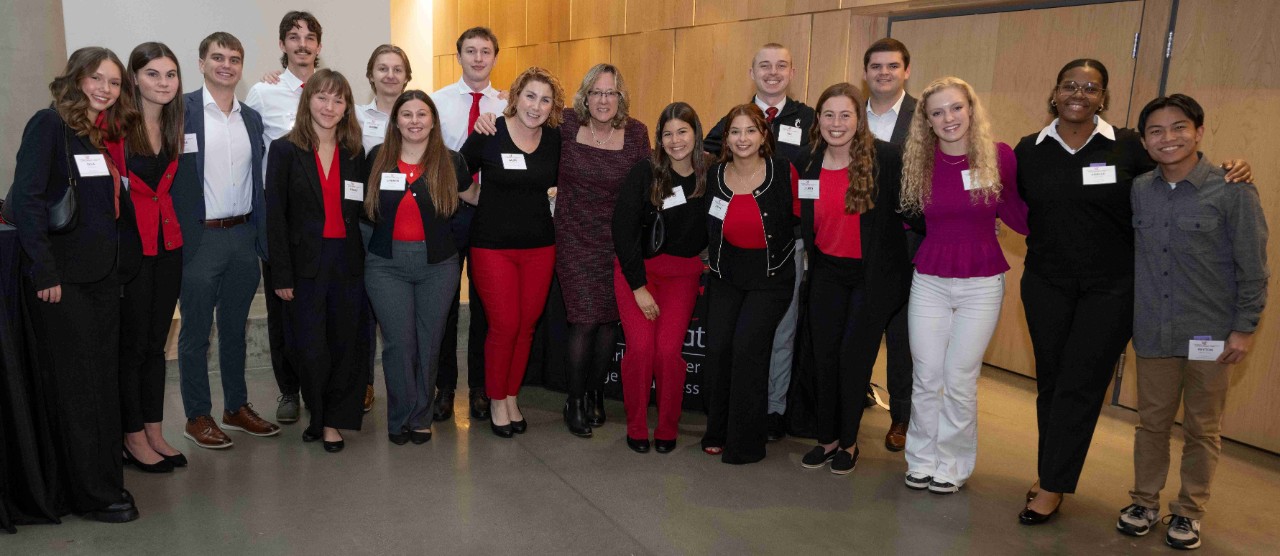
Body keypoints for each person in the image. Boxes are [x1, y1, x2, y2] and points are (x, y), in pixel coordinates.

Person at [1013, 59, 1251, 525]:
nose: (1079, 93)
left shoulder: (1127, 146)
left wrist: (1233, 168)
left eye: (1091, 87)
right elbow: (1014, 205)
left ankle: (1053, 485)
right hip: (1045, 284)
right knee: (1052, 384)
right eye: (1069, 85)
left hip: (1110, 290)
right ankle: (1051, 471)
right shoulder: (1030, 149)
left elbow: (1180, 171)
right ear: (1055, 92)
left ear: (1103, 97)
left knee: (1080, 385)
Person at [1117, 94, 1267, 551]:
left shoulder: (1232, 189)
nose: (1168, 138)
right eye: (1157, 131)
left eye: (1179, 128)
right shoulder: (1140, 188)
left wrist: (1244, 328)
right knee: (1152, 424)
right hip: (1155, 330)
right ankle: (1143, 501)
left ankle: (1188, 510)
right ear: (1145, 141)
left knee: (1203, 428)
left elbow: (1254, 265)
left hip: (1211, 335)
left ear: (1199, 132)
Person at [9, 46, 140, 522]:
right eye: (96, 78)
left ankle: (103, 483)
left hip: (101, 280)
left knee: (100, 386)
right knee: (79, 391)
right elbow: (25, 201)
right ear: (76, 79)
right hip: (63, 283)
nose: (105, 89)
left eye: (113, 81)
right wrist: (44, 272)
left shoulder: (97, 134)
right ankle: (89, 494)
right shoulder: (49, 126)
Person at [898, 76, 1028, 494]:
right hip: (930, 281)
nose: (948, 118)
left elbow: (1018, 212)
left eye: (956, 107)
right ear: (927, 121)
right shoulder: (919, 161)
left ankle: (952, 465)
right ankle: (920, 459)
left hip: (981, 284)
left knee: (958, 378)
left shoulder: (999, 156)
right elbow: (904, 215)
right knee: (927, 375)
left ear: (971, 109)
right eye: (937, 112)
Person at [795, 83, 911, 475]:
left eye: (846, 115)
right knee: (823, 359)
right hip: (826, 274)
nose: (836, 123)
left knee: (853, 363)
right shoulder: (808, 161)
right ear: (818, 120)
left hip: (871, 279)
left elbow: (913, 210)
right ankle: (826, 439)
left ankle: (848, 442)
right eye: (828, 115)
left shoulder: (885, 158)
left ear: (859, 120)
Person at [170, 32, 277, 451]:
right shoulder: (180, 112)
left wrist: (258, 238)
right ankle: (197, 415)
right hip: (200, 241)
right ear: (200, 63)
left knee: (234, 329)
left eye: (234, 58)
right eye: (217, 57)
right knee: (195, 333)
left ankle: (236, 407)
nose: (226, 65)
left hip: (241, 237)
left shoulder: (251, 117)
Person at [704, 43, 815, 442]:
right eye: (764, 66)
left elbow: (818, 178)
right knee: (735, 345)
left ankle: (773, 410)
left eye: (781, 65)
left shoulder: (808, 118)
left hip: (785, 250)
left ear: (791, 70)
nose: (772, 73)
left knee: (780, 338)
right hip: (733, 264)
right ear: (752, 72)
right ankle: (735, 418)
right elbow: (700, 158)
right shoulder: (731, 119)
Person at [265, 69, 368, 453]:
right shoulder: (284, 150)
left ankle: (330, 422)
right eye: (322, 97)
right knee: (310, 347)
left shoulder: (354, 153)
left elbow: (364, 209)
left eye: (338, 100)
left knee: (344, 342)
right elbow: (275, 215)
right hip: (304, 264)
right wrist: (281, 273)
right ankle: (318, 411)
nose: (330, 106)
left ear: (347, 107)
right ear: (308, 101)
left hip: (347, 260)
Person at [459, 67, 563, 438]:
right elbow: (456, 168)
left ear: (553, 107)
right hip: (492, 247)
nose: (536, 106)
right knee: (503, 325)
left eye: (545, 99)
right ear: (515, 96)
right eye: (530, 96)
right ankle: (496, 398)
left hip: (539, 247)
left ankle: (512, 395)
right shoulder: (491, 131)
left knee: (526, 327)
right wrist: (473, 197)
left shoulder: (554, 140)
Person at [363, 90, 469, 445]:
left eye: (422, 114)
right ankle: (399, 417)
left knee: (429, 342)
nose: (414, 121)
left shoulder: (451, 161)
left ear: (433, 120)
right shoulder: (378, 158)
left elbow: (478, 198)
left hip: (437, 266)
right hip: (386, 265)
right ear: (395, 122)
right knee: (398, 345)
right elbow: (360, 205)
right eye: (406, 114)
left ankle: (421, 416)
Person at [553, 63, 650, 437]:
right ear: (585, 96)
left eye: (611, 92)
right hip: (574, 238)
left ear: (621, 97)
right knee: (584, 320)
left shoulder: (638, 133)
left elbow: (649, 182)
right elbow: (524, 117)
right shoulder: (565, 124)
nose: (603, 99)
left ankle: (595, 392)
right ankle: (574, 400)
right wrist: (489, 120)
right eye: (596, 92)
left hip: (619, 241)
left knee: (609, 322)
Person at [701, 104, 799, 464]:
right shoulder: (716, 174)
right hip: (727, 274)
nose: (742, 139)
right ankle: (717, 430)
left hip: (770, 277)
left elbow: (802, 218)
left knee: (747, 349)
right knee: (720, 349)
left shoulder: (782, 171)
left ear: (763, 136)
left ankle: (745, 441)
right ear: (725, 138)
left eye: (750, 131)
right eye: (735, 132)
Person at [611, 102, 709, 453]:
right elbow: (623, 230)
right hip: (638, 273)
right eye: (667, 134)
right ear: (659, 139)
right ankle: (636, 425)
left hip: (682, 275)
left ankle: (668, 426)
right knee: (640, 349)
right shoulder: (645, 172)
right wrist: (638, 287)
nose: (675, 140)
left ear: (696, 133)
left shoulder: (710, 174)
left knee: (668, 352)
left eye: (682, 131)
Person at [111, 42, 186, 473]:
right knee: (133, 347)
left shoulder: (177, 124)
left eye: (170, 74)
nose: (163, 82)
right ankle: (132, 437)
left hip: (168, 245)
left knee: (157, 346)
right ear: (135, 77)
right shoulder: (116, 129)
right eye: (153, 74)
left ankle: (155, 430)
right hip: (132, 250)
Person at [246, 10, 323, 424]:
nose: (303, 44)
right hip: (281, 217)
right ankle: (288, 389)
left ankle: (320, 384)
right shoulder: (262, 93)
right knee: (282, 306)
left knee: (319, 304)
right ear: (282, 46)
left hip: (326, 217)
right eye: (294, 37)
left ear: (319, 47)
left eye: (310, 37)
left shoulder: (331, 90)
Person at [429, 26, 506, 423]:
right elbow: (431, 157)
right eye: (470, 51)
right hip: (449, 211)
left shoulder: (511, 104)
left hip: (492, 216)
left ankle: (481, 388)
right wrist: (460, 191)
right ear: (458, 55)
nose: (478, 58)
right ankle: (444, 388)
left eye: (486, 51)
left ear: (495, 57)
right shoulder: (437, 102)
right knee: (445, 305)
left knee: (485, 306)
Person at [862, 37, 920, 451]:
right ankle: (852, 401)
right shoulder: (848, 114)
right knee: (859, 334)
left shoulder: (924, 117)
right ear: (865, 72)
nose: (884, 73)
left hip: (910, 243)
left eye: (892, 66)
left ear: (906, 71)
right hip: (857, 244)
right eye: (876, 66)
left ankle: (902, 417)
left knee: (903, 339)